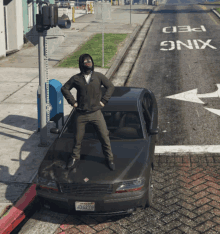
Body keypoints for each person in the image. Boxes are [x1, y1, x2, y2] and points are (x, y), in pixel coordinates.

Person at [61, 54, 116, 171]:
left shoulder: (99, 76)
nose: (88, 63)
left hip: (96, 113)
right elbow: (64, 88)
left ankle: (109, 158)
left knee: (104, 136)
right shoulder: (76, 78)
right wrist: (73, 103)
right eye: (85, 62)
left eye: (89, 61)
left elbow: (110, 86)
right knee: (77, 138)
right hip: (81, 114)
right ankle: (75, 158)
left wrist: (103, 101)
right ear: (81, 64)